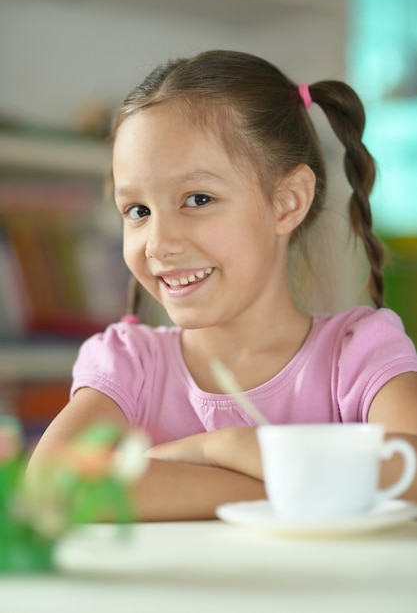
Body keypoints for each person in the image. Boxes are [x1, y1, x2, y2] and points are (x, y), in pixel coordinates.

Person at [27, 50, 417, 520]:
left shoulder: (355, 353)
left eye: (197, 199)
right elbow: (53, 485)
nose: (159, 243)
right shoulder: (129, 365)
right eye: (138, 211)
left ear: (287, 202)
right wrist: (302, 485)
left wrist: (224, 447)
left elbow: (410, 469)